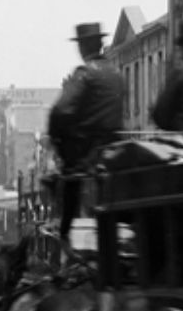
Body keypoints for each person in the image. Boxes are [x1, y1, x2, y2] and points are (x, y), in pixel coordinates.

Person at [46, 22, 128, 245]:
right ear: (100, 44)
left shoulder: (85, 73)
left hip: (85, 151)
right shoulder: (116, 74)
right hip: (113, 147)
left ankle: (64, 228)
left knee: (62, 175)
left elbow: (60, 110)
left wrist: (55, 137)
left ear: (83, 48)